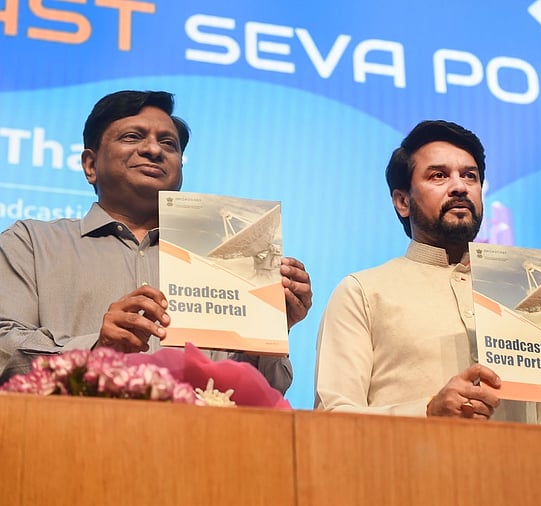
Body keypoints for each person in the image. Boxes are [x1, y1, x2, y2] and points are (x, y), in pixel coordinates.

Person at [0, 90, 313, 394]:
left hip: (197, 441)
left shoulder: (226, 258)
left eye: (169, 143)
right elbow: (4, 348)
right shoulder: (31, 243)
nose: (153, 150)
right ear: (90, 165)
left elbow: (265, 393)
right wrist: (95, 350)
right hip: (67, 437)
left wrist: (269, 330)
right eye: (132, 137)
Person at [314, 120, 541, 427]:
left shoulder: (525, 291)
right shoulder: (363, 291)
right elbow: (331, 419)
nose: (459, 186)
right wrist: (427, 412)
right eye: (438, 175)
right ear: (403, 201)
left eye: (470, 176)